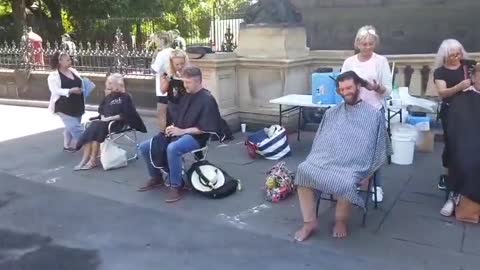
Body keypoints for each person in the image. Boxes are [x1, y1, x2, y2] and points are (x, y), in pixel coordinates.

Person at [293, 71, 388, 241]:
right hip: (325, 159)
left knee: (345, 180)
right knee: (303, 170)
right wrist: (320, 158)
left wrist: (370, 172)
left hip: (355, 165)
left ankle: (340, 220)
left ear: (358, 86)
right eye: (342, 89)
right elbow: (320, 140)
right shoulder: (332, 113)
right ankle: (309, 222)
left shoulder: (373, 115)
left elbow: (379, 147)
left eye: (349, 87)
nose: (345, 92)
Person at [137, 66, 221, 203]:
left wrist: (182, 131)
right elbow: (178, 113)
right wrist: (173, 127)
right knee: (145, 146)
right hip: (179, 132)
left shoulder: (207, 99)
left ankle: (176, 185)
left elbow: (205, 128)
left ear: (198, 81)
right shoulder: (187, 95)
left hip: (197, 137)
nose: (184, 85)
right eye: (184, 82)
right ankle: (156, 177)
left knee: (173, 148)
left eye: (188, 82)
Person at [341, 25, 392, 203]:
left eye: (370, 44)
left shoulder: (381, 61)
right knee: (353, 149)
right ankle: (354, 181)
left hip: (374, 109)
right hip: (354, 110)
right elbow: (342, 86)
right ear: (357, 44)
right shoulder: (349, 62)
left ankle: (376, 185)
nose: (367, 47)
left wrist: (376, 87)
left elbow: (388, 91)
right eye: (364, 44)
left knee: (374, 151)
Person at [74, 73, 147, 170]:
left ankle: (91, 160)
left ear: (116, 85)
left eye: (109, 83)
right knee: (94, 130)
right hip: (104, 123)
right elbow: (101, 109)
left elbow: (126, 114)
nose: (107, 84)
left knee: (95, 130)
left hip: (117, 123)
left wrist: (109, 119)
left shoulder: (125, 97)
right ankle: (86, 160)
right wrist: (104, 116)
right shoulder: (109, 96)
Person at [433, 39, 472, 217]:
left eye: (458, 54)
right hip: (451, 112)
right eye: (452, 55)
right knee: (453, 147)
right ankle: (451, 185)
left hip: (470, 110)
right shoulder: (440, 72)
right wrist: (458, 87)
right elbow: (442, 93)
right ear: (445, 56)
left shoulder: (467, 66)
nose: (456, 58)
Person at [447, 64, 480, 223]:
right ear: (473, 78)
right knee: (468, 159)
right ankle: (457, 196)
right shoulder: (462, 99)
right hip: (466, 143)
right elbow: (455, 128)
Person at [47, 51, 85, 152]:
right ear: (60, 61)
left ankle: (67, 146)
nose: (70, 61)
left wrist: (83, 87)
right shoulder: (53, 76)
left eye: (70, 59)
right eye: (67, 60)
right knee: (76, 128)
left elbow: (80, 82)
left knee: (71, 126)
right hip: (63, 106)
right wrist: (70, 90)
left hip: (77, 104)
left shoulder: (73, 71)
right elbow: (55, 91)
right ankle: (91, 145)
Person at [150, 32, 175, 132]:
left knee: (162, 112)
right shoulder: (174, 51)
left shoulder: (160, 54)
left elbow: (154, 69)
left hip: (162, 86)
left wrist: (153, 58)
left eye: (156, 40)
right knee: (172, 112)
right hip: (173, 86)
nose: (155, 42)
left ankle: (163, 133)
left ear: (162, 40)